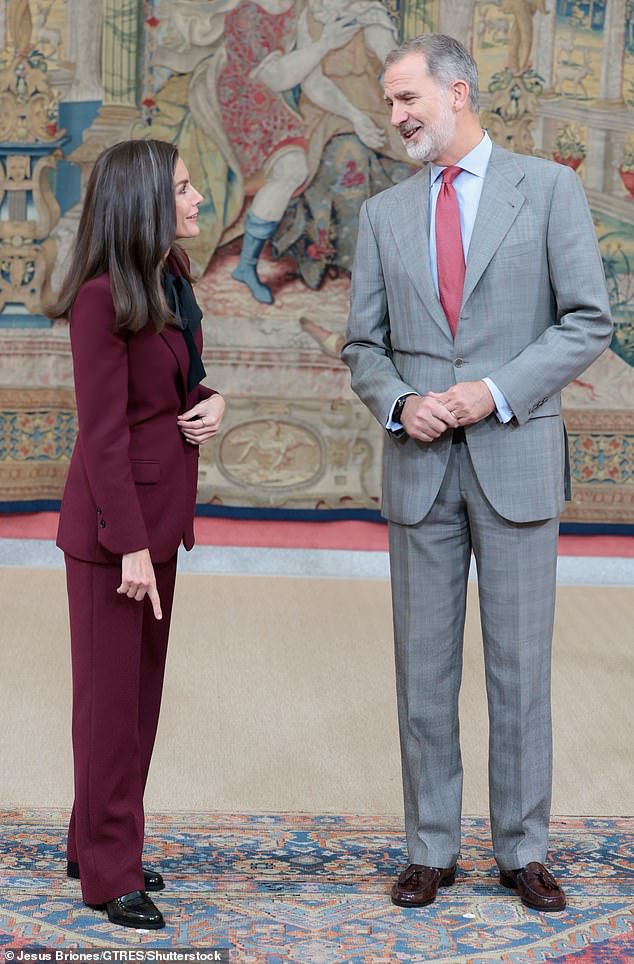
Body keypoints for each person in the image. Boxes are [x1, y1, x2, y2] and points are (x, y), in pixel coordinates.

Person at [341, 34, 612, 913]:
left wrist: (488, 393)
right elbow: (363, 347)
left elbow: (586, 322)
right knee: (423, 673)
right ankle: (429, 848)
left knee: (519, 672)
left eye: (406, 98)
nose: (396, 117)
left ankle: (523, 851)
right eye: (389, 103)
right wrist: (399, 402)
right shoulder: (384, 215)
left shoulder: (551, 190)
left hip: (517, 458)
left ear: (457, 91)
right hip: (418, 470)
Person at [48, 139, 226, 930]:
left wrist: (213, 401)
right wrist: (126, 545)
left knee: (138, 703)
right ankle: (109, 872)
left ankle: (98, 840)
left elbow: (185, 379)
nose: (196, 201)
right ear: (146, 202)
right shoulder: (98, 299)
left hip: (160, 524)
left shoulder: (172, 277)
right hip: (112, 532)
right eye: (184, 189)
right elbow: (103, 434)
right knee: (110, 707)